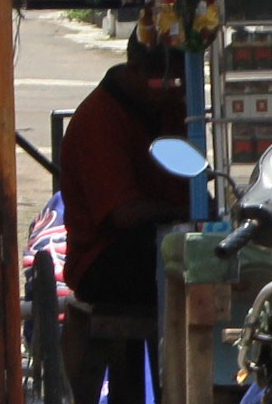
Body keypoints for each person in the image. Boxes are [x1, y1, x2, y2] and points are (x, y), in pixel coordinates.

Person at [56, 37, 189, 311]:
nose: (179, 92)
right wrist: (182, 210)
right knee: (186, 276)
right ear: (135, 70)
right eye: (171, 83)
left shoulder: (168, 107)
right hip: (103, 258)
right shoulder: (98, 121)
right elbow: (124, 213)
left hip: (154, 238)